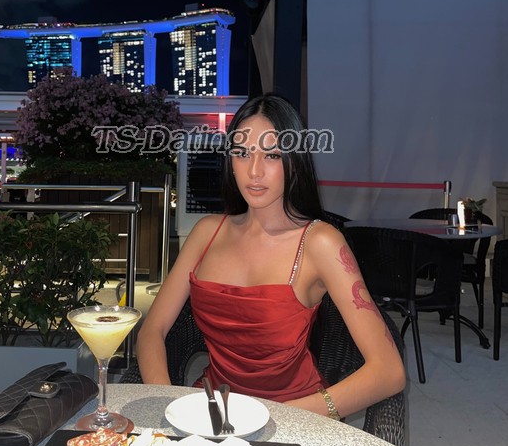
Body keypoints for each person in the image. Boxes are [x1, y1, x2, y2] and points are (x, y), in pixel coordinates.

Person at [136, 93, 406, 419]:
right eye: (242, 153)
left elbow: (389, 371)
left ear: (294, 160)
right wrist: (170, 404)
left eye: (272, 155)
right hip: (213, 415)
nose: (254, 171)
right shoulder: (207, 233)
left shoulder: (320, 243)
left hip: (295, 417)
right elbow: (152, 330)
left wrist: (281, 417)